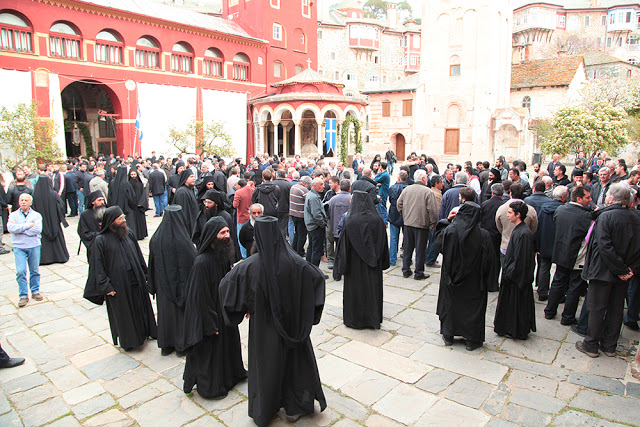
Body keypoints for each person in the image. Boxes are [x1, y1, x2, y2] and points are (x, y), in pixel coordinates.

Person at [219, 216, 326, 425]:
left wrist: (246, 306)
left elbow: (226, 287)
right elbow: (317, 279)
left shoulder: (249, 267)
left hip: (263, 328)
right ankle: (294, 406)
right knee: (294, 365)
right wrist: (307, 312)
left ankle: (266, 409)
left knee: (267, 366)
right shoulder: (296, 262)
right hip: (293, 325)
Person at [183, 217, 247, 398]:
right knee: (212, 352)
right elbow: (198, 298)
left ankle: (234, 375)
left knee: (229, 346)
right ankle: (212, 387)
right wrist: (210, 323)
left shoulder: (222, 256)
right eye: (222, 233)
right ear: (212, 236)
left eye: (228, 232)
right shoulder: (201, 263)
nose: (227, 236)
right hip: (210, 316)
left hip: (224, 312)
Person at [576, 184, 640, 358]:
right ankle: (609, 345)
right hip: (623, 273)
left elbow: (604, 246)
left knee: (597, 308)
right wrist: (628, 270)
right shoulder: (636, 217)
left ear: (611, 199)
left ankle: (591, 344)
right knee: (616, 308)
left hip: (604, 271)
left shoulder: (606, 216)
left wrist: (622, 269)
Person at [83, 206, 157, 350]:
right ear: (111, 221)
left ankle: (146, 332)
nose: (124, 220)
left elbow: (139, 256)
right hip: (118, 283)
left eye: (123, 217)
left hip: (135, 278)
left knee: (140, 307)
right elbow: (97, 266)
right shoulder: (101, 240)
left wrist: (146, 274)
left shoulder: (129, 234)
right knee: (125, 313)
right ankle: (130, 341)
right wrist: (106, 286)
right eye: (120, 218)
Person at [436, 188, 494, 350]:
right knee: (472, 309)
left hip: (451, 278)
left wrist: (447, 221)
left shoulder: (451, 230)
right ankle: (471, 339)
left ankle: (448, 334)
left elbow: (439, 244)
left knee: (451, 305)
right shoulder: (483, 235)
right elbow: (489, 261)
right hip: (474, 282)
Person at [333, 191, 389, 329]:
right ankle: (373, 319)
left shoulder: (350, 221)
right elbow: (383, 243)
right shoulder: (378, 220)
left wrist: (341, 267)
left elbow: (343, 246)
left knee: (355, 293)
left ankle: (354, 320)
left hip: (354, 266)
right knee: (372, 291)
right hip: (373, 266)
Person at [148, 205, 197, 357]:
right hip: (181, 285)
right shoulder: (183, 240)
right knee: (180, 317)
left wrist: (152, 285)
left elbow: (151, 264)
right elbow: (193, 260)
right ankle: (181, 345)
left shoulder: (156, 238)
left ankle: (166, 344)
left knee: (165, 315)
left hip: (163, 285)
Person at [544, 186, 592, 324]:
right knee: (574, 287)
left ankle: (549, 311)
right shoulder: (585, 216)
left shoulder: (561, 210)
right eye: (587, 197)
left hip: (561, 252)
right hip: (576, 256)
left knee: (558, 282)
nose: (590, 200)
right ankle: (567, 317)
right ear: (579, 198)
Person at [494, 201, 537, 340]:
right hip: (513, 275)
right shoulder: (519, 230)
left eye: (510, 213)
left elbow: (521, 260)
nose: (507, 215)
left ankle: (516, 329)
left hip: (517, 278)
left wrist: (510, 274)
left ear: (518, 215)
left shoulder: (523, 233)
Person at [397, 170, 438, 280]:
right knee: (420, 250)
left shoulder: (407, 189)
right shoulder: (428, 192)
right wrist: (433, 223)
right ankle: (418, 272)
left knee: (407, 248)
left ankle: (406, 270)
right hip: (421, 224)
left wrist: (405, 215)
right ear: (423, 179)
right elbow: (433, 210)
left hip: (409, 223)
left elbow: (398, 204)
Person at [8, 194, 42, 307]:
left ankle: (35, 291)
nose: (23, 202)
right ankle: (23, 295)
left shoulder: (37, 216)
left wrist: (20, 227)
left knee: (34, 270)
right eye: (21, 200)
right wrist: (28, 226)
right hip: (19, 246)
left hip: (34, 245)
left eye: (26, 200)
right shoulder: (13, 215)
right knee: (20, 271)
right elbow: (10, 228)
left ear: (30, 202)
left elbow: (37, 230)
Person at [32, 175, 69, 265]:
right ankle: (59, 256)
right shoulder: (53, 194)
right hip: (54, 221)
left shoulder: (34, 196)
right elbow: (61, 206)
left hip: (41, 223)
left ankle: (44, 258)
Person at [480, 183, 506, 292]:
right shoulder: (505, 206)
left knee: (484, 259)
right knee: (496, 261)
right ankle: (493, 283)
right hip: (498, 235)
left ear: (492, 192)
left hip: (486, 235)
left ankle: (483, 281)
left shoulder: (485, 204)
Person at [109, 166, 139, 238]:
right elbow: (131, 198)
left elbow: (109, 196)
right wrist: (133, 206)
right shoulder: (126, 184)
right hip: (127, 209)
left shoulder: (112, 183)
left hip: (115, 209)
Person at [304, 178, 328, 267]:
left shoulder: (311, 194)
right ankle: (315, 272)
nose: (323, 186)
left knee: (311, 247)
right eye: (321, 184)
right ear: (314, 186)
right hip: (316, 227)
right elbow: (316, 214)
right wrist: (322, 224)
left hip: (312, 226)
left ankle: (310, 269)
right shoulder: (313, 197)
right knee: (316, 250)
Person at [388, 170, 409, 266]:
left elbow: (391, 199)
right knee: (407, 239)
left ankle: (392, 259)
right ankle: (407, 258)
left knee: (393, 238)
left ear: (399, 178)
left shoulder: (393, 188)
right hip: (406, 215)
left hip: (394, 215)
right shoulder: (409, 189)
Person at [77, 190, 106, 261]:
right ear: (93, 202)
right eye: (99, 200)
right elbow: (83, 232)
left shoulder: (107, 211)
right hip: (94, 248)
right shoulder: (85, 215)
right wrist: (99, 236)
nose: (102, 202)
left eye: (103, 200)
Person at [172, 169, 199, 238]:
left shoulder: (188, 190)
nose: (194, 178)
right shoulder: (182, 192)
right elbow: (185, 213)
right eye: (191, 177)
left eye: (193, 176)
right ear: (185, 179)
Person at [290, 176, 311, 257]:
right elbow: (309, 200)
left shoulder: (293, 187)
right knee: (302, 235)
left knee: (297, 233)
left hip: (293, 214)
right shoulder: (304, 190)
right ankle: (300, 251)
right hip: (301, 215)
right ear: (306, 183)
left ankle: (294, 249)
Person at [233, 178, 254, 259]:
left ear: (239, 185)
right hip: (251, 216)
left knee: (241, 237)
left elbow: (235, 205)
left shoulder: (238, 192)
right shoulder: (252, 189)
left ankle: (244, 256)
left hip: (242, 217)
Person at [127, 169, 148, 240]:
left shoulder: (140, 184)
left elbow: (143, 194)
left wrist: (141, 203)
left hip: (139, 205)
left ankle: (141, 234)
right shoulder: (128, 184)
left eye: (134, 174)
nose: (133, 176)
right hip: (132, 205)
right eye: (131, 174)